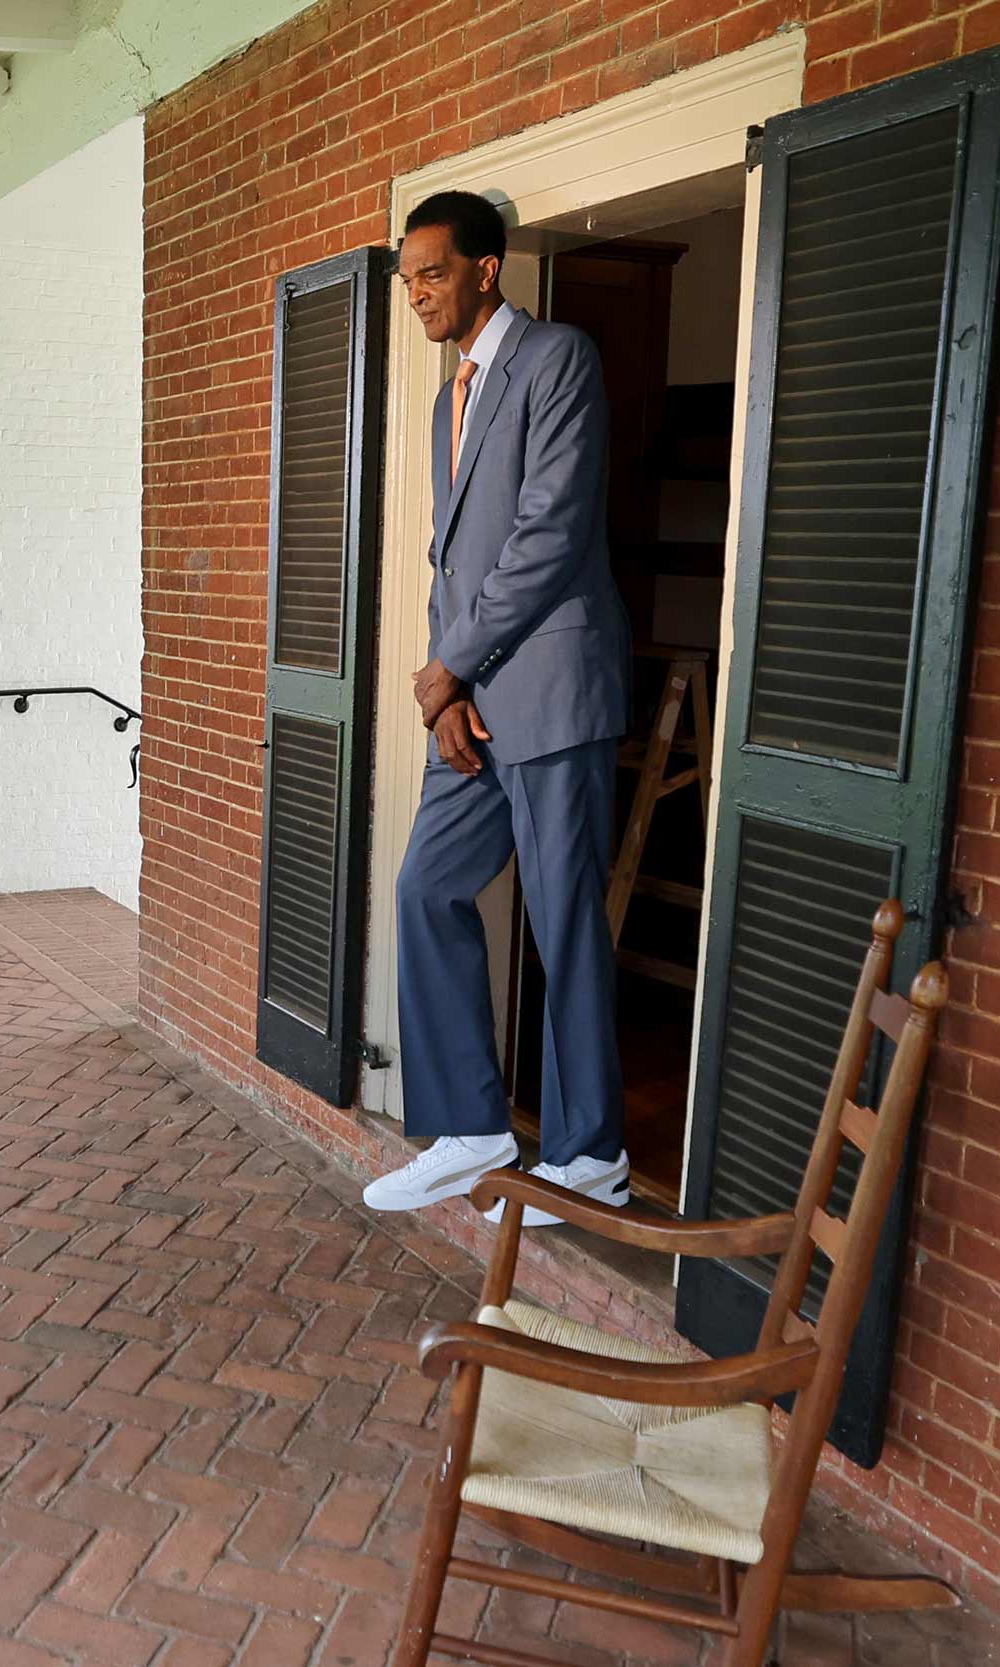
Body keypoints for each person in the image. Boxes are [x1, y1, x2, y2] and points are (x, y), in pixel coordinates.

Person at [362, 192, 633, 1227]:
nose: (418, 293)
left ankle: (589, 1153)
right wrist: (448, 688)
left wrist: (451, 663)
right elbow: (451, 558)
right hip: (473, 704)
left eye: (432, 272)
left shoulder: (557, 359)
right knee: (426, 888)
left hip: (558, 689)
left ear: (486, 268)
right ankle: (471, 1127)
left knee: (564, 922)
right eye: (407, 277)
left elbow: (548, 531)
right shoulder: (447, 401)